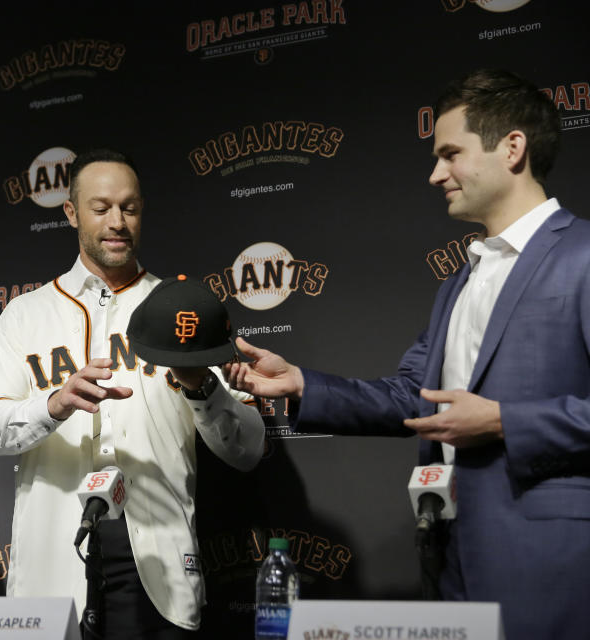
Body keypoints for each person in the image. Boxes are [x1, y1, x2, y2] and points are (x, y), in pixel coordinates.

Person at [223, 69, 589, 640]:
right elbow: (411, 396)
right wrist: (300, 384)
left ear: (512, 147)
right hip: (450, 556)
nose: (435, 173)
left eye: (450, 153)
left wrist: (501, 421)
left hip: (551, 563)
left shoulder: (585, 256)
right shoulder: (460, 282)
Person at [0, 149, 265, 638]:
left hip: (155, 561)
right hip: (54, 558)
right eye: (101, 207)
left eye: (129, 208)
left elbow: (249, 448)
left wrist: (201, 387)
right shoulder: (26, 313)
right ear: (71, 213)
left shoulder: (183, 310)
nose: (117, 222)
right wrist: (53, 404)